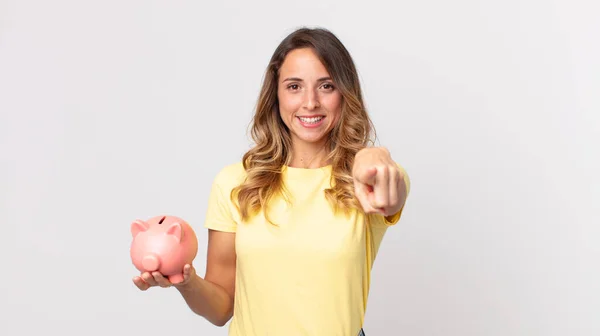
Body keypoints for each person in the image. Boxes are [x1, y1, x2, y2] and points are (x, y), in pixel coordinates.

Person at [132, 27, 410, 336]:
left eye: (326, 86)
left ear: (345, 94)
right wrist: (186, 282)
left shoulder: (366, 182)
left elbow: (390, 195)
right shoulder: (236, 182)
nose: (310, 103)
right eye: (294, 86)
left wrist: (373, 156)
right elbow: (222, 308)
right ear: (275, 95)